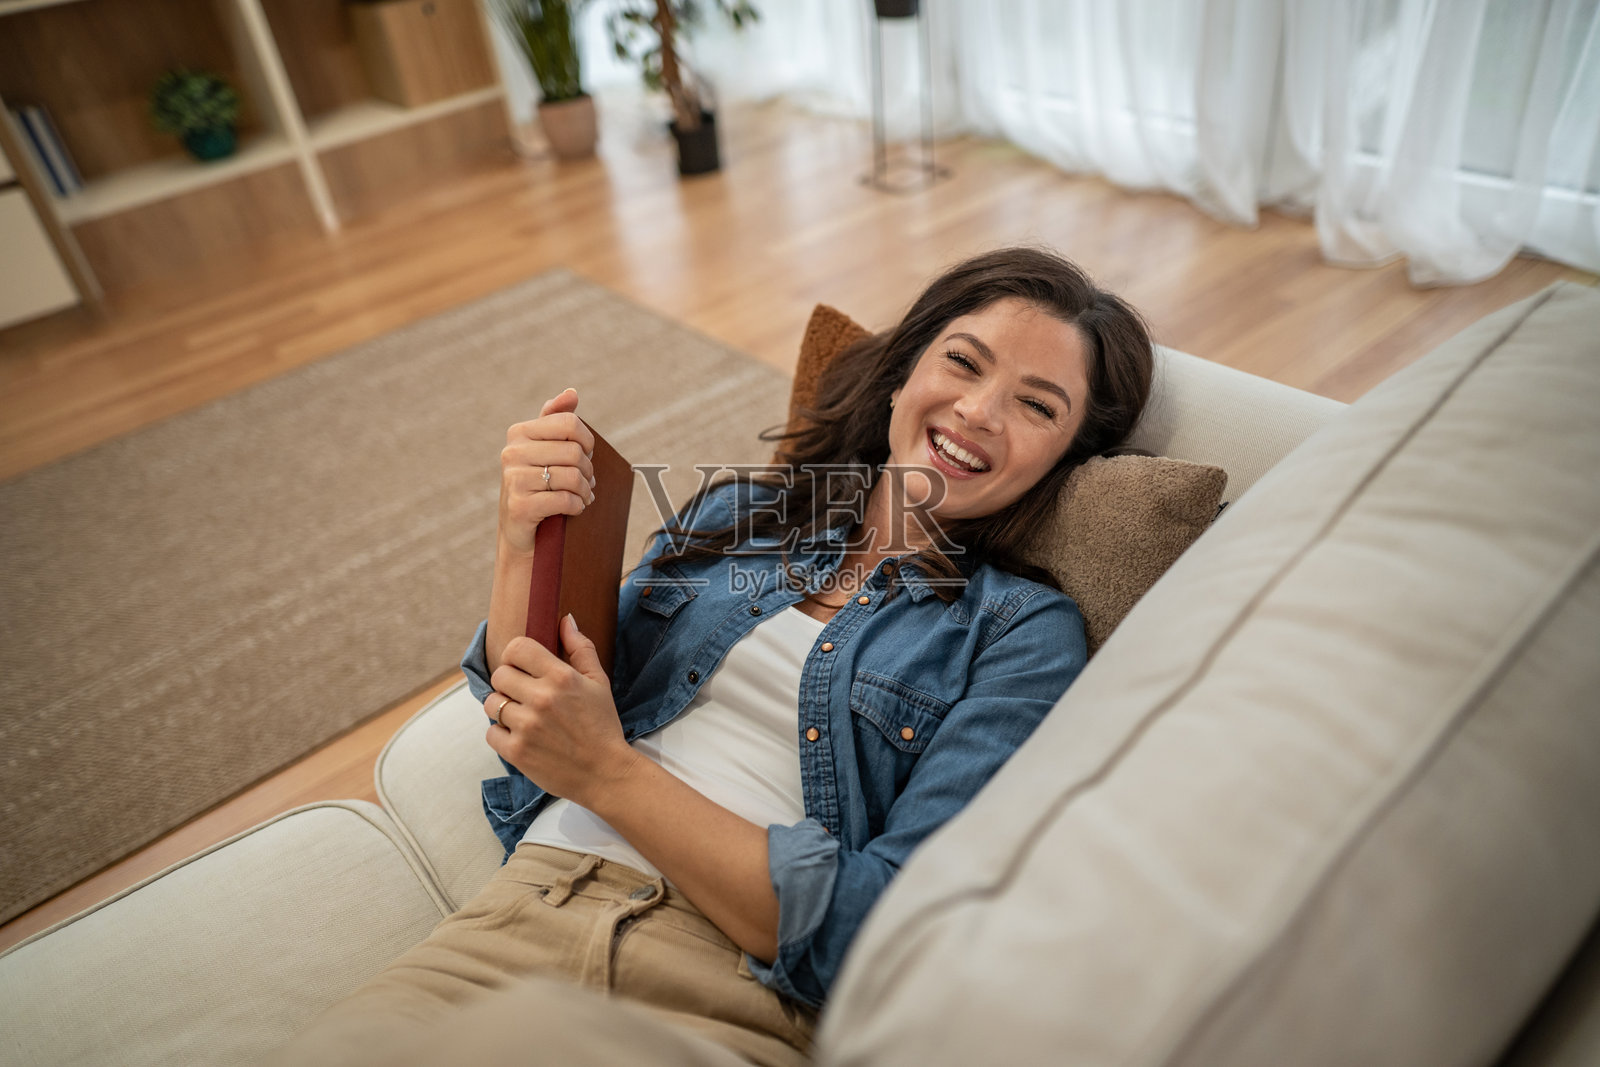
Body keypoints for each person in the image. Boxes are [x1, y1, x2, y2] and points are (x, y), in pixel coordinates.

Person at [267, 246, 1154, 1067]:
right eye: (963, 361)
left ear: (1066, 462)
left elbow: (881, 927)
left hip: (727, 991)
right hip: (513, 917)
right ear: (903, 376)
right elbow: (537, 713)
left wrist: (610, 773)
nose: (978, 411)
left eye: (1038, 406)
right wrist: (520, 542)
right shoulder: (737, 518)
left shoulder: (1023, 633)